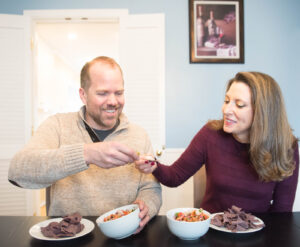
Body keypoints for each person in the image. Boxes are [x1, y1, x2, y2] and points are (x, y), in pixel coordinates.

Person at [8, 56, 162, 233]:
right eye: (102, 93)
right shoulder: (57, 126)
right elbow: (17, 171)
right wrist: (86, 154)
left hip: (125, 235)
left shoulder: (139, 135)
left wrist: (146, 206)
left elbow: (151, 187)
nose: (113, 101)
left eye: (119, 93)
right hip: (67, 237)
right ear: (83, 95)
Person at [136, 71, 299, 213]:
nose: (226, 110)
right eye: (227, 101)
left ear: (263, 112)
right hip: (212, 231)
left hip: (258, 234)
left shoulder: (286, 147)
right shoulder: (210, 134)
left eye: (239, 105)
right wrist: (153, 165)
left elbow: (282, 212)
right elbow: (174, 176)